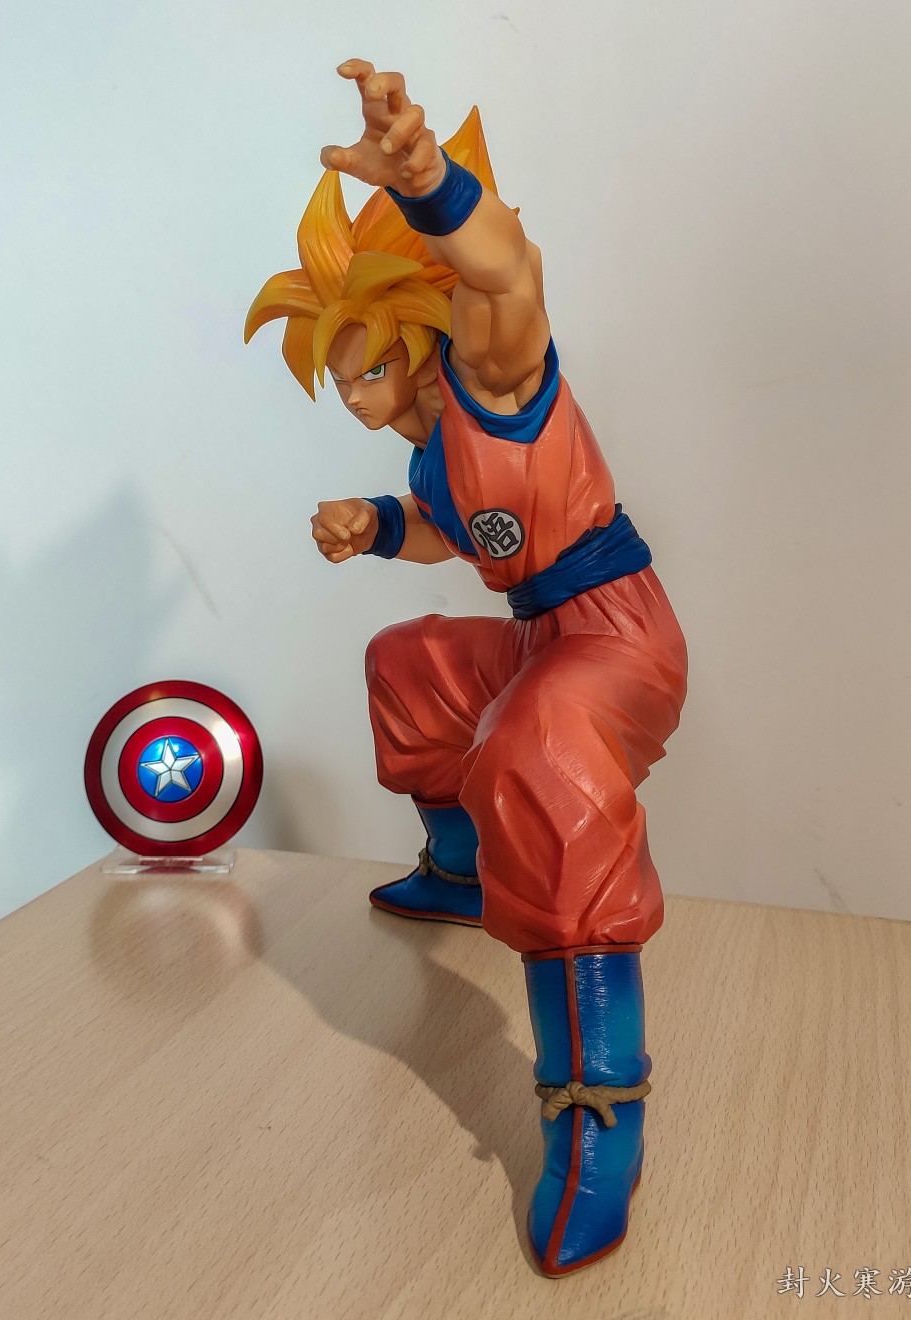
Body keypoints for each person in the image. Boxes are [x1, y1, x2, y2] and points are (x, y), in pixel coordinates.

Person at [245, 60, 688, 1277]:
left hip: (619, 634)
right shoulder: (430, 441)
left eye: (363, 368)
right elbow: (455, 531)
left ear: (410, 335)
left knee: (533, 750)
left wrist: (429, 180)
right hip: (548, 631)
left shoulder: (494, 377)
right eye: (337, 378)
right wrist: (378, 525)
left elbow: (509, 274)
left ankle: (599, 1109)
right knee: (415, 664)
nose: (352, 396)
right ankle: (456, 870)